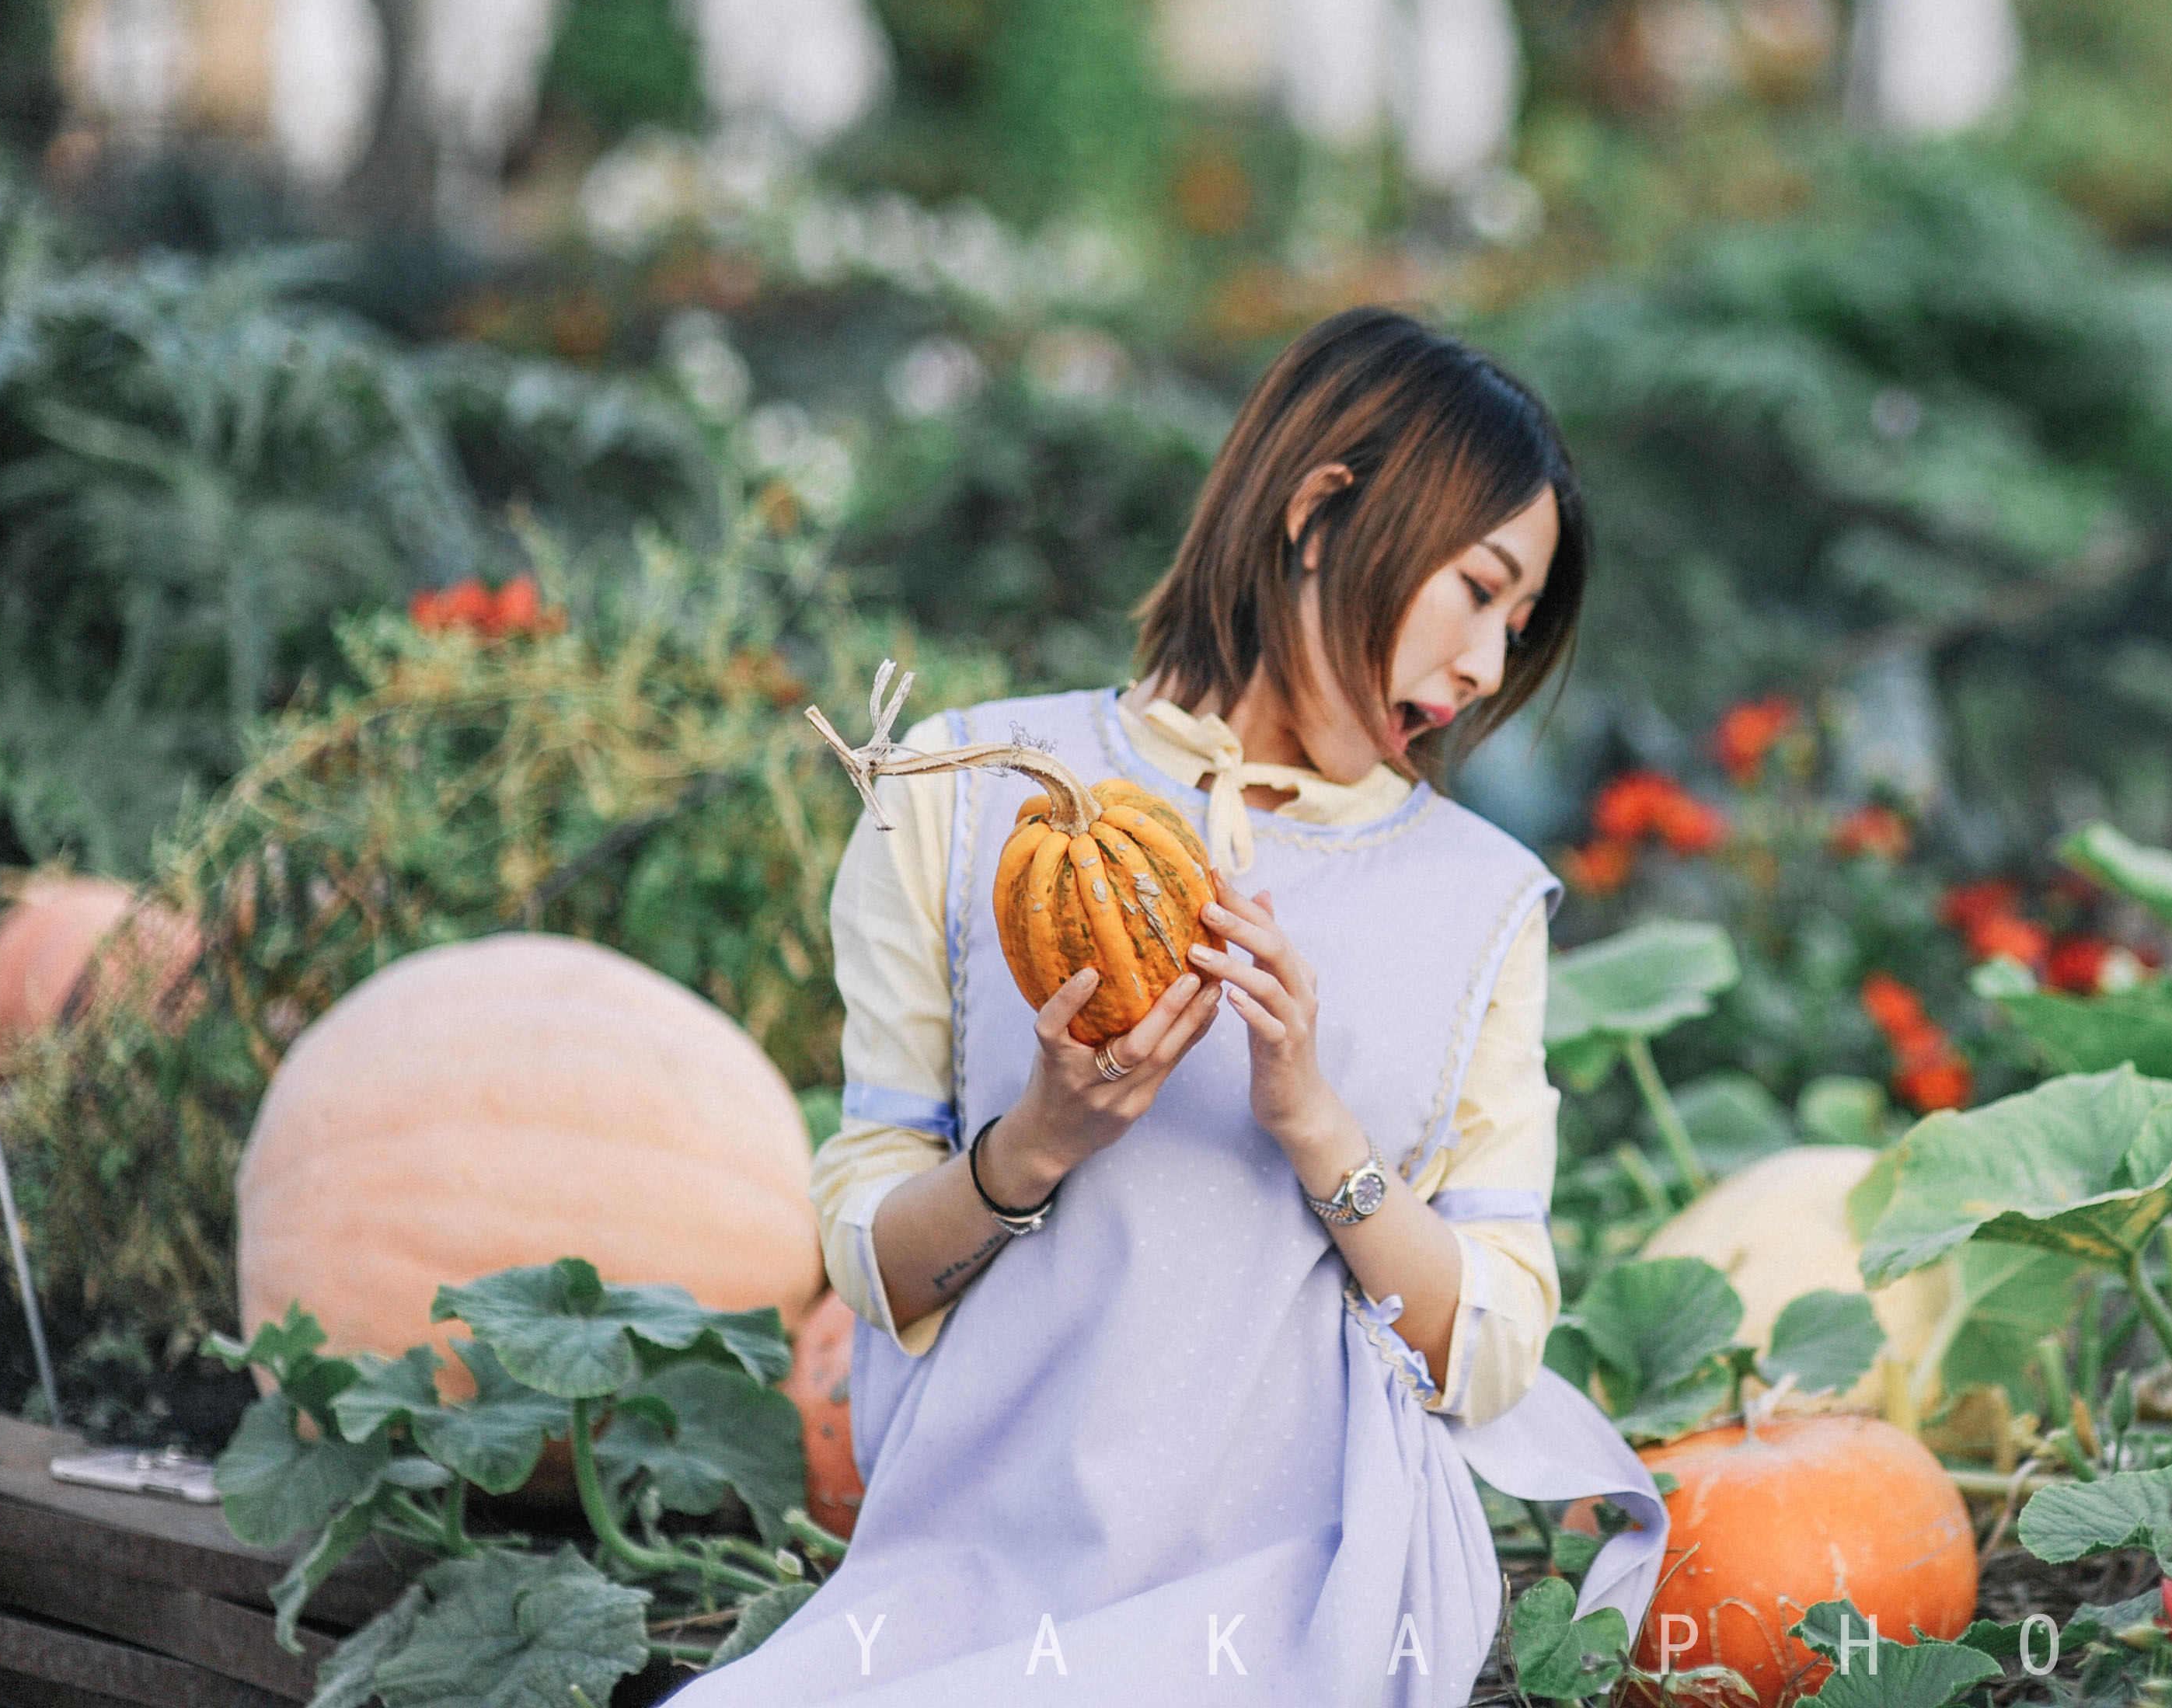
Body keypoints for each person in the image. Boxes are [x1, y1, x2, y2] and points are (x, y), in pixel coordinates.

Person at [678, 309, 1665, 1703]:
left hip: (1303, 1593)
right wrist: (1037, 1143)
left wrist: (1322, 1133)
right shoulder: (966, 796)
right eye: (1478, 590)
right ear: (1324, 512)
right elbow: (872, 1268)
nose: (1489, 670)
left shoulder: (1478, 900)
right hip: (972, 1572)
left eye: (1520, 625)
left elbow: (1490, 1351)